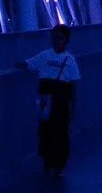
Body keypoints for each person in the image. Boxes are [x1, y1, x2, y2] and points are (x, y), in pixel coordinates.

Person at [19, 25, 80, 177]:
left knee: (57, 131)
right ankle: (51, 161)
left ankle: (55, 162)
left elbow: (73, 85)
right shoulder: (46, 55)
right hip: (49, 98)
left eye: (59, 37)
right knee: (47, 130)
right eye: (54, 37)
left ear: (66, 40)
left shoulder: (69, 59)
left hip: (56, 98)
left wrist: (72, 105)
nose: (56, 40)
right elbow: (29, 63)